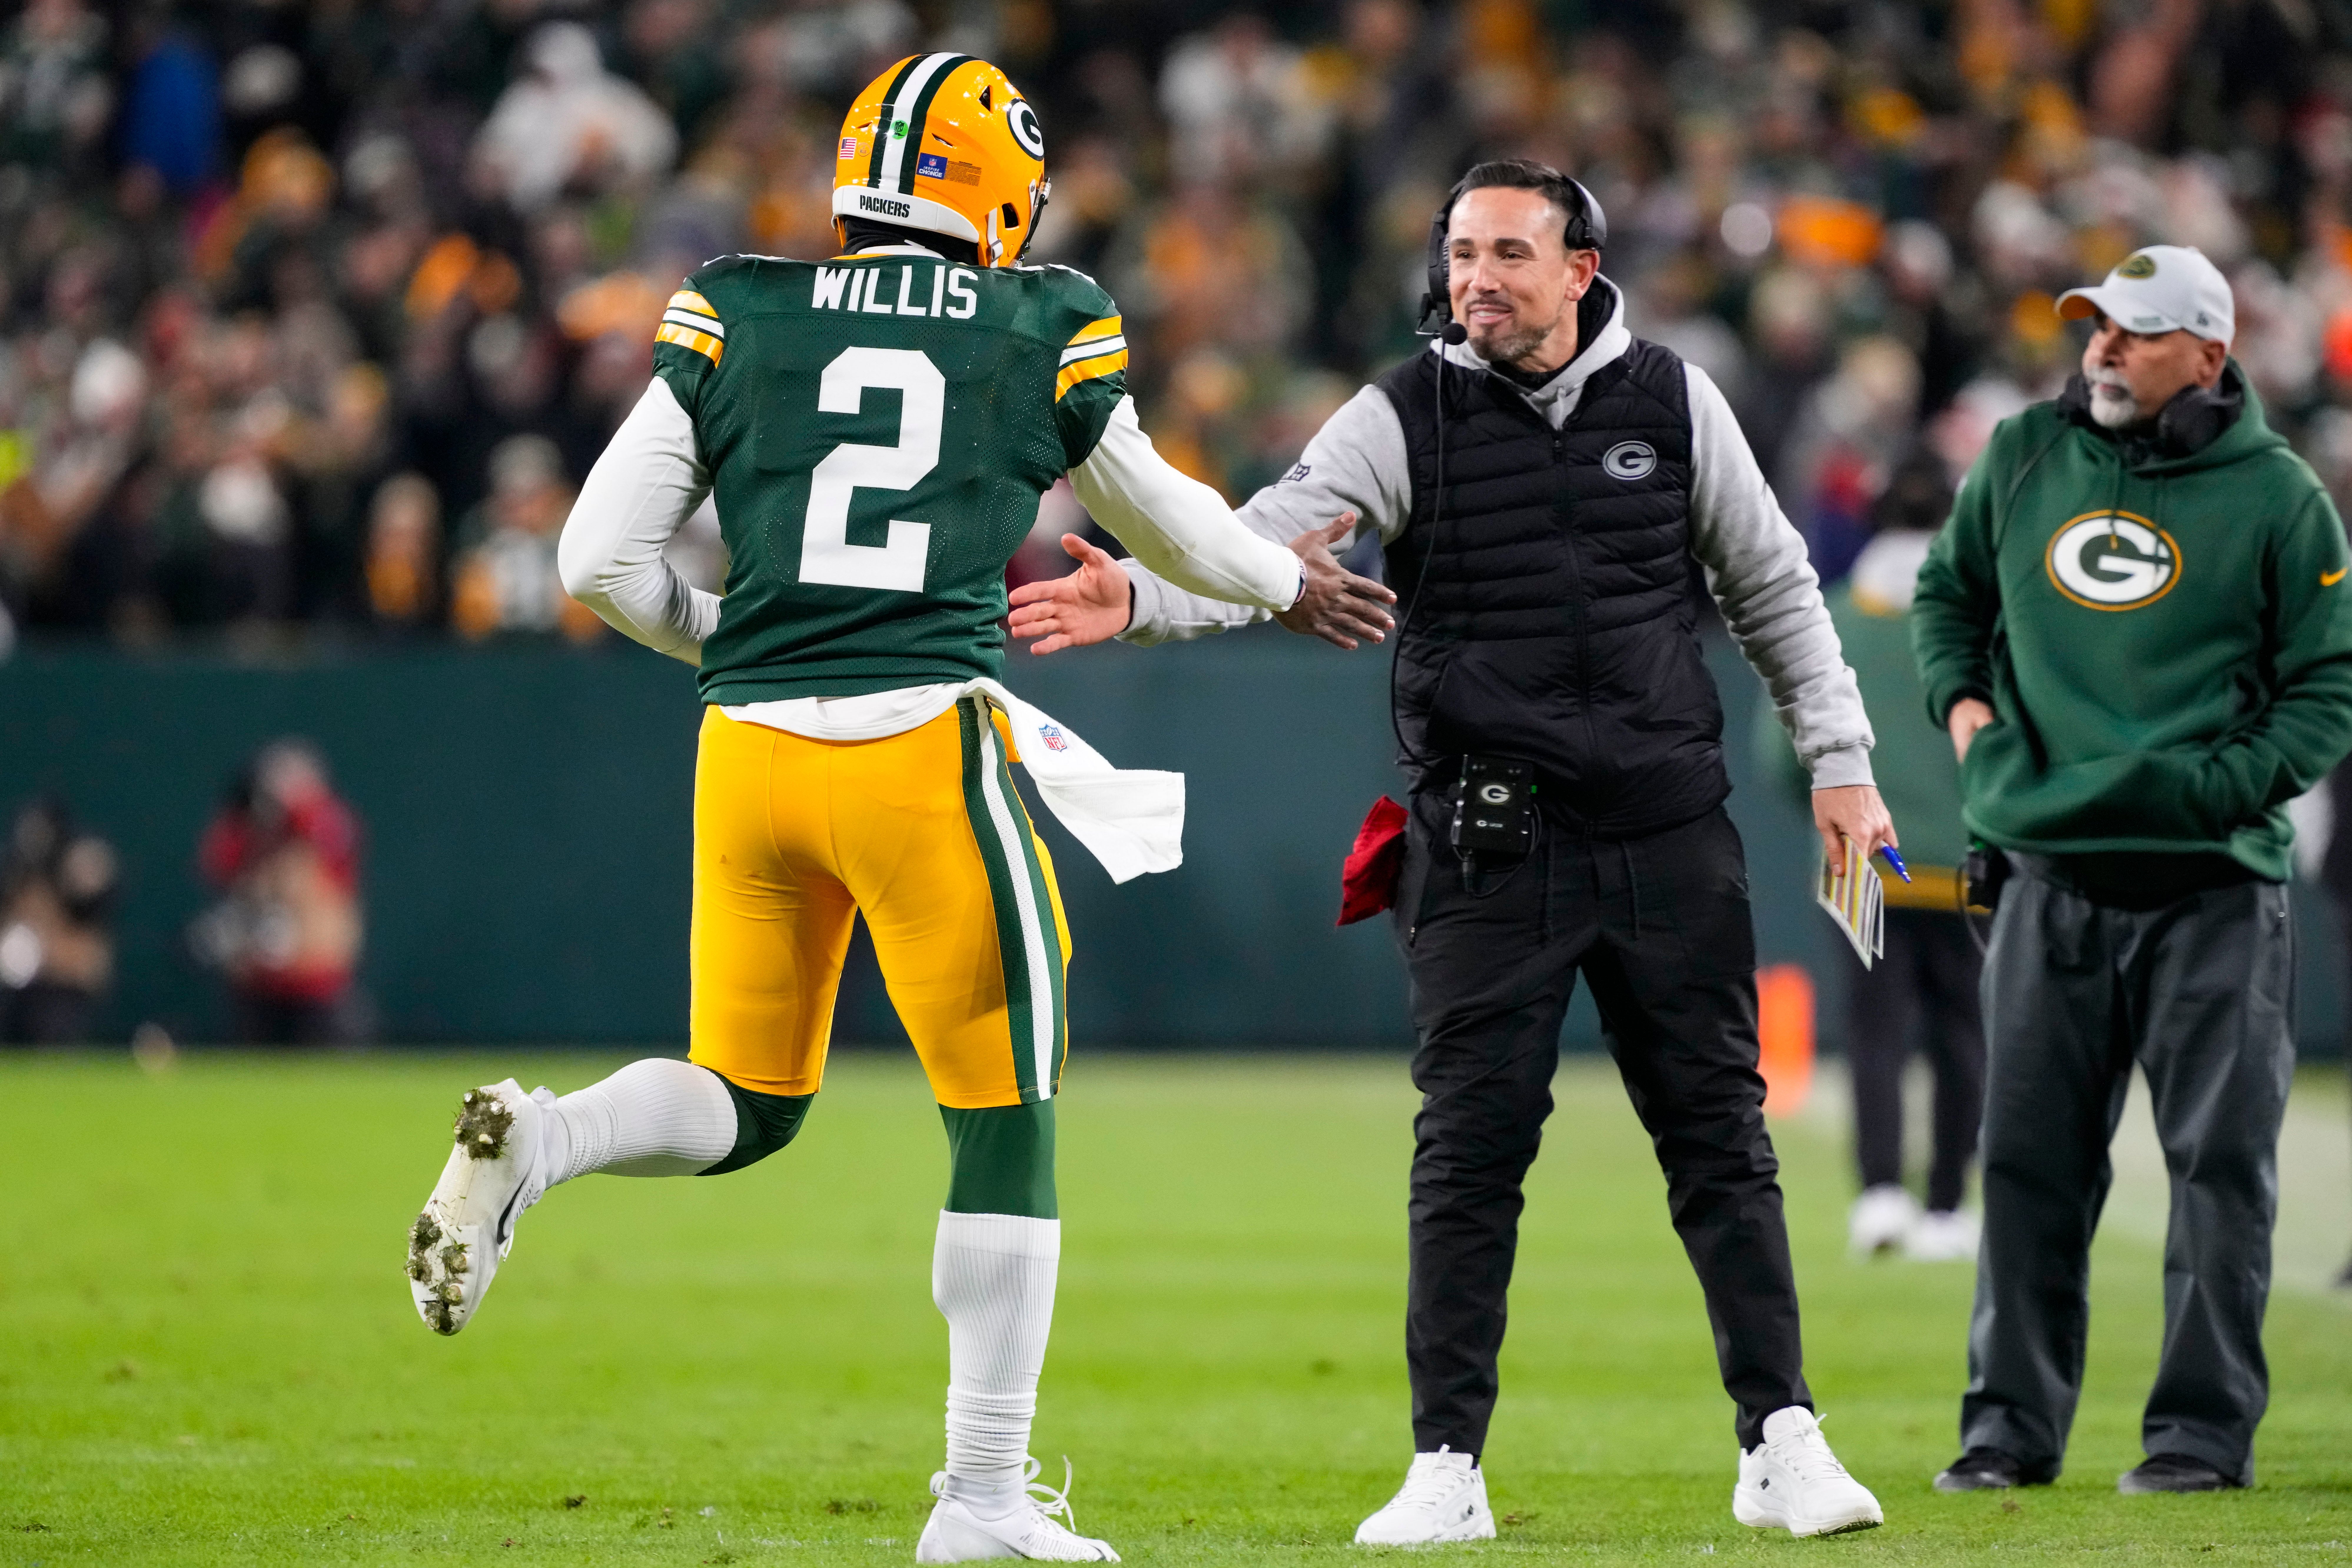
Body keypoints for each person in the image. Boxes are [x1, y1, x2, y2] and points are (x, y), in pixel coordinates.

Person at [400, 53, 1387, 1567]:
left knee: (752, 1096)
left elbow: (595, 559)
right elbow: (1159, 510)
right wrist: (1284, 580)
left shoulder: (739, 305)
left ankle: (546, 1141)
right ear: (994, 195)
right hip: (919, 751)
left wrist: (738, 647)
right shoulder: (1038, 318)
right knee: (1004, 1129)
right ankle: (981, 1500)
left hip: (748, 757)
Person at [1010, 159, 1889, 1541]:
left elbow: (1774, 585)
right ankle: (1444, 1461)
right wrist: (1139, 600)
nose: (1471, 277)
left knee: (1719, 1141)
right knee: (1469, 1154)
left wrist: (1839, 765)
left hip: (1667, 832)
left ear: (1578, 270)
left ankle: (1779, 1433)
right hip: (1488, 847)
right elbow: (1257, 552)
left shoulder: (1672, 398)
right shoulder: (1398, 409)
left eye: (1504, 253)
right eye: (1458, 251)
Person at [1912, 245, 2352, 1495]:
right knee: (2024, 1170)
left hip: (2208, 887)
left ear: (2206, 355)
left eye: (2132, 332)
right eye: (2091, 325)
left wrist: (2208, 787)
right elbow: (1946, 600)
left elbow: (2326, 688)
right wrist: (1964, 718)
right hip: (2043, 869)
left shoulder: (2276, 496)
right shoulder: (2020, 454)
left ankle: (2197, 1437)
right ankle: (2004, 1432)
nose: (2099, 349)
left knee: (2217, 1176)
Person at [1758, 450, 1986, 1262]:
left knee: (1876, 1031)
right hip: (1966, 866)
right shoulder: (1980, 617)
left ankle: (1881, 1196)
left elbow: (1782, 753)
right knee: (1964, 1033)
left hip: (1867, 864)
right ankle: (1951, 1208)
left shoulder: (1836, 617)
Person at [193, 740, 367, 1045]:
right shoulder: (240, 835)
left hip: (317, 992)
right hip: (256, 992)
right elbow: (221, 867)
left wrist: (294, 802)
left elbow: (324, 859)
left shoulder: (325, 825)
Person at [0, 796, 117, 1044]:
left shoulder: (77, 866)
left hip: (62, 988)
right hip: (17, 989)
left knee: (53, 1040)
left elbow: (92, 953)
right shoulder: (15, 872)